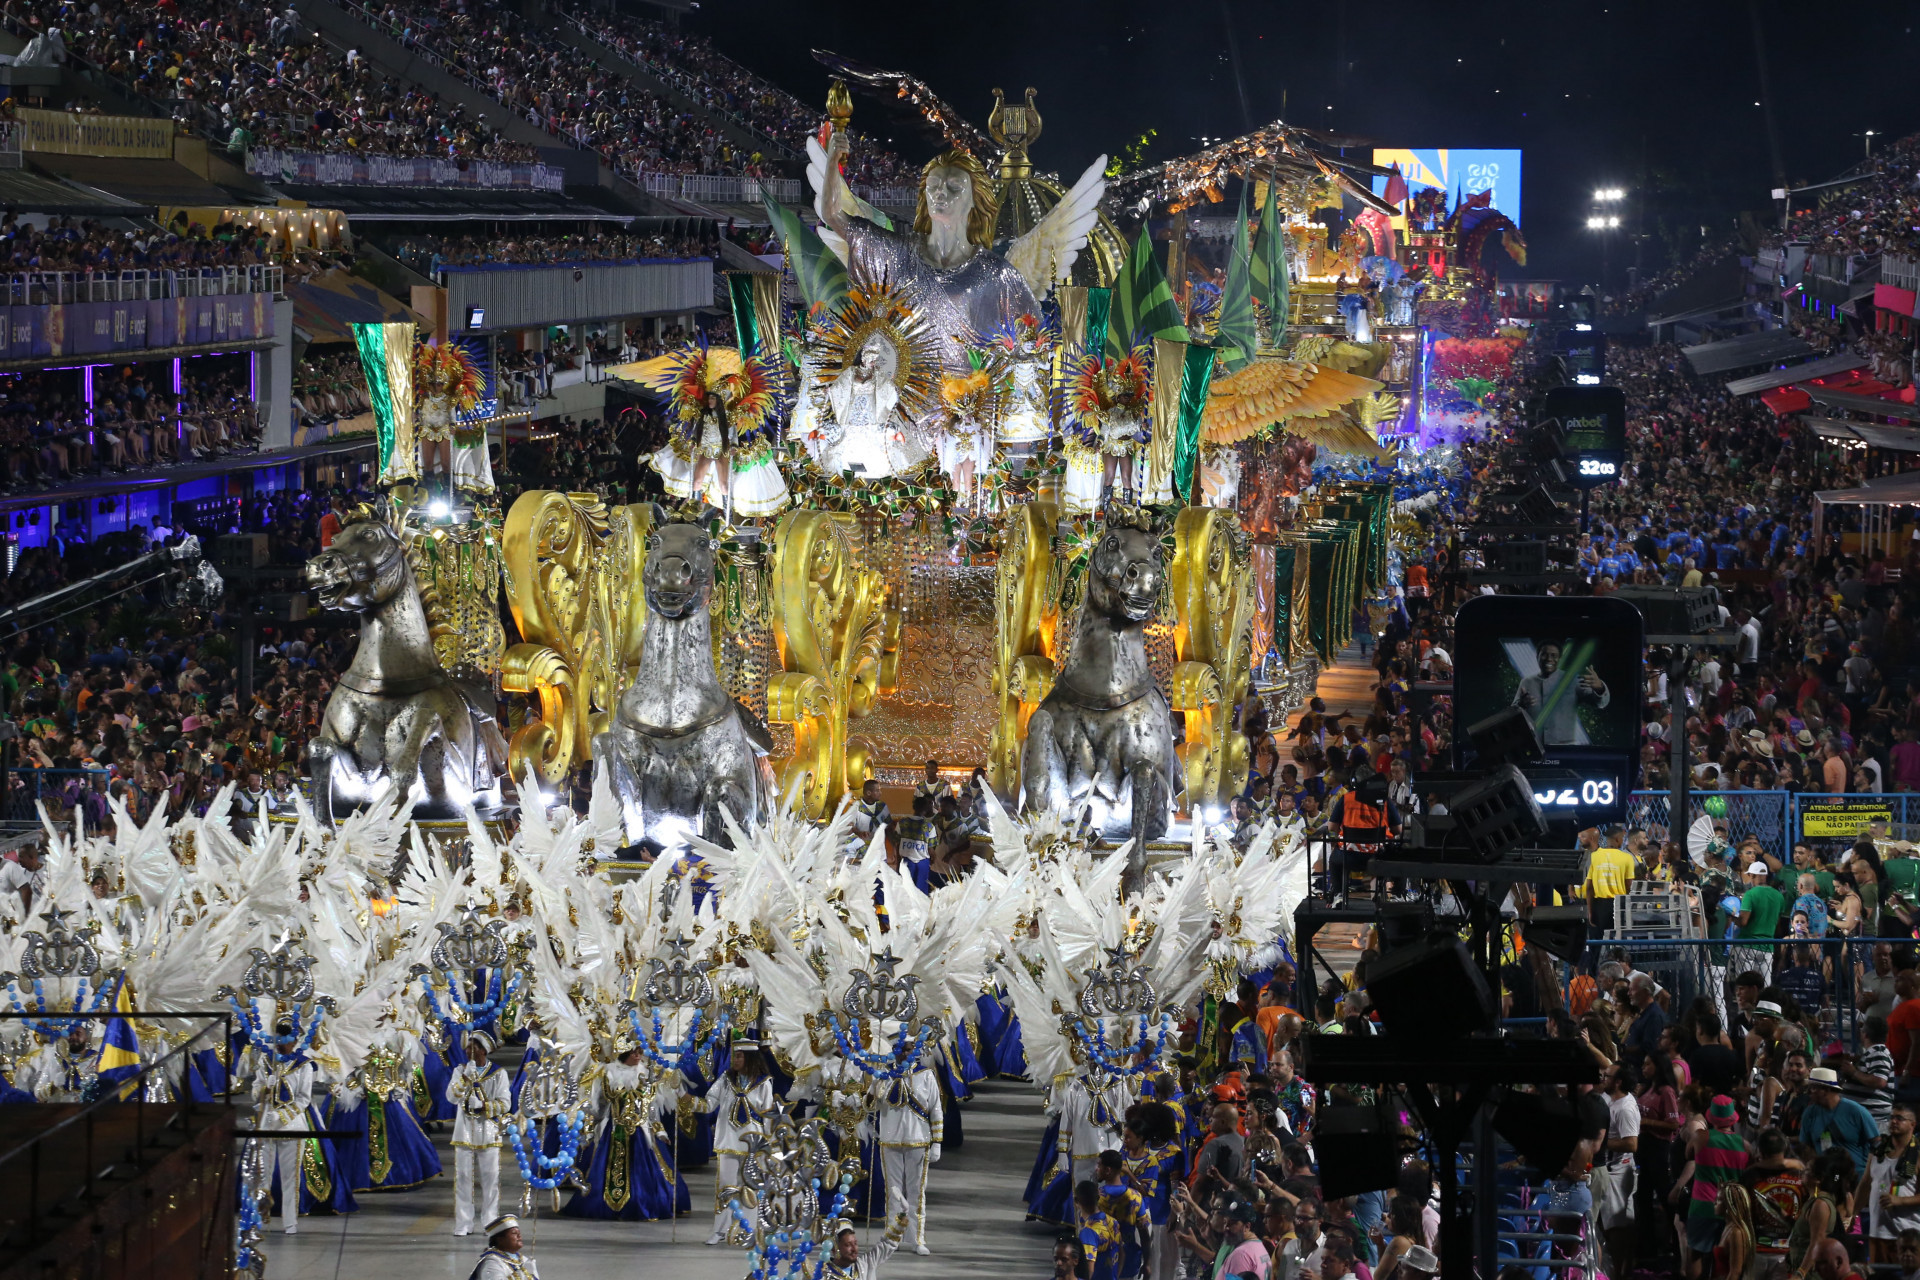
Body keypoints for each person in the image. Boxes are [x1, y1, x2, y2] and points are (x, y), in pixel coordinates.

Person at [705, 1039, 777, 1245]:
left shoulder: (764, 1082)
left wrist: (770, 1145)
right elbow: (709, 1104)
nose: (734, 1059)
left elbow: (769, 1115)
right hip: (727, 1141)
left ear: (750, 1058)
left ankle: (750, 1230)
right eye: (734, 1055)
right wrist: (684, 1098)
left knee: (751, 1188)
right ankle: (720, 1231)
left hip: (753, 1144)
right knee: (725, 1187)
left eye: (739, 1055)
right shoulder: (726, 1079)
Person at [876, 1036, 943, 1255]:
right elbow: (870, 1107)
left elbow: (936, 1109)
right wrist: (872, 1092)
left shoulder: (926, 1075)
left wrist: (937, 1143)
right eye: (901, 1049)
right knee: (893, 1192)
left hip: (919, 1141)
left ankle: (917, 1238)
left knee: (917, 1193)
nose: (905, 1053)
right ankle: (892, 1237)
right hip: (889, 1140)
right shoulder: (883, 1075)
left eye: (909, 1049)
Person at [447, 1030, 510, 1237]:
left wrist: (484, 1106)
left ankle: (490, 1221)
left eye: (473, 1047)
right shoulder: (460, 1070)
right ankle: (464, 1222)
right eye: (467, 1047)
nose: (468, 1051)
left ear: (484, 1050)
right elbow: (451, 1097)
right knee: (463, 1177)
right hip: (464, 1131)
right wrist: (464, 1078)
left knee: (490, 1178)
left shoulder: (499, 1074)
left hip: (489, 1132)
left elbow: (505, 1104)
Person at [1862, 1102, 1920, 1264]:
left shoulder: (1918, 1154)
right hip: (1877, 1233)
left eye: (1900, 1118)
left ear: (1912, 1125)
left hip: (1907, 1237)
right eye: (1892, 1117)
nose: (1893, 1121)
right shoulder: (1877, 1151)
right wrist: (1852, 1213)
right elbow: (1865, 1184)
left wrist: (1900, 1200)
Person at [1800, 1066, 1878, 1181]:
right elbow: (1806, 1146)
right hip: (1827, 1179)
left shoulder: (1855, 1111)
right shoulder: (1809, 1113)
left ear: (1825, 1090)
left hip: (1855, 1177)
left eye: (1813, 1088)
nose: (1808, 1092)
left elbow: (1876, 1142)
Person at [825, 1213, 907, 1280]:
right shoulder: (824, 1275)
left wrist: (900, 1222)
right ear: (834, 1248)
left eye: (855, 1243)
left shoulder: (865, 1264)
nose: (854, 1249)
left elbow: (887, 1244)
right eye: (848, 1245)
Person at [471, 1215, 538, 1280]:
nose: (519, 1236)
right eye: (514, 1233)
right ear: (500, 1239)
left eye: (519, 1233)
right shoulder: (492, 1262)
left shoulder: (523, 1259)